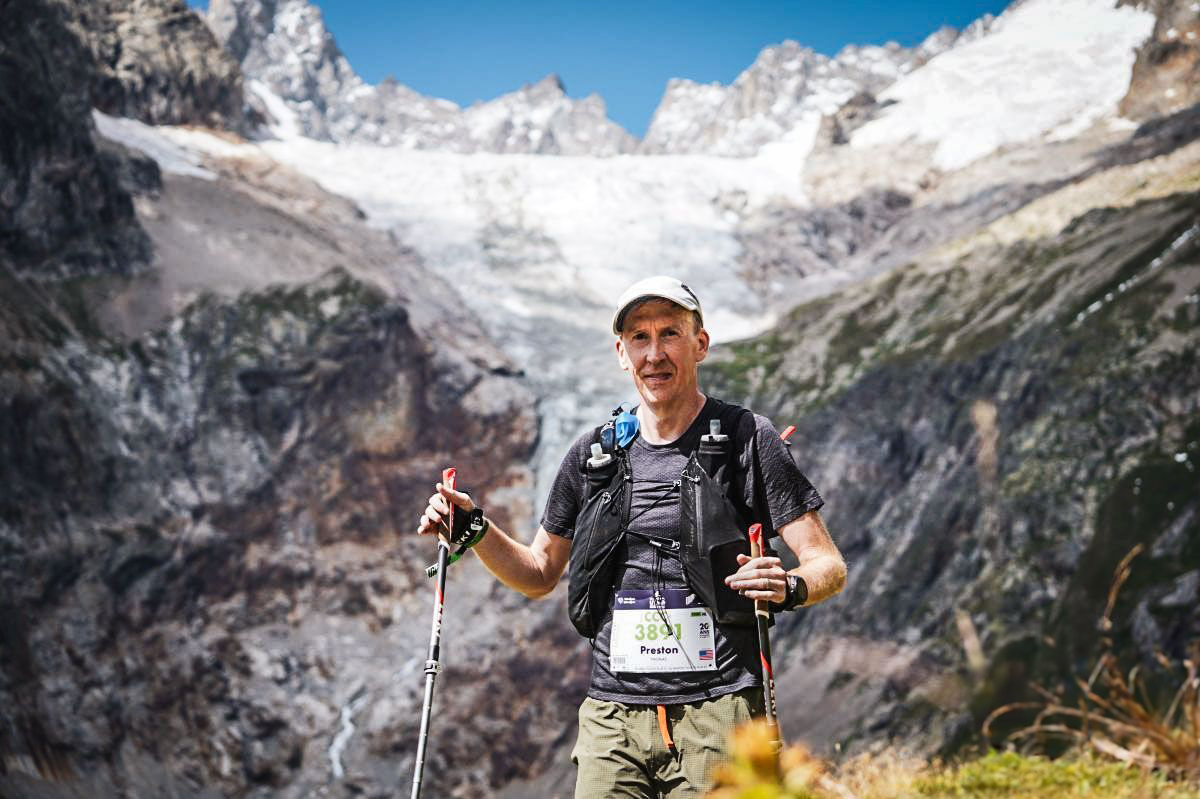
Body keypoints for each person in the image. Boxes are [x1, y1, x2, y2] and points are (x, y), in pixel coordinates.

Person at [417, 275, 847, 798]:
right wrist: (473, 529)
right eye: (639, 338)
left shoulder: (746, 439)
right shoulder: (592, 456)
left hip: (722, 711)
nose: (654, 353)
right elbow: (538, 574)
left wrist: (789, 585)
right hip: (612, 718)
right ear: (621, 353)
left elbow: (827, 565)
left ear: (700, 344)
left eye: (670, 333)